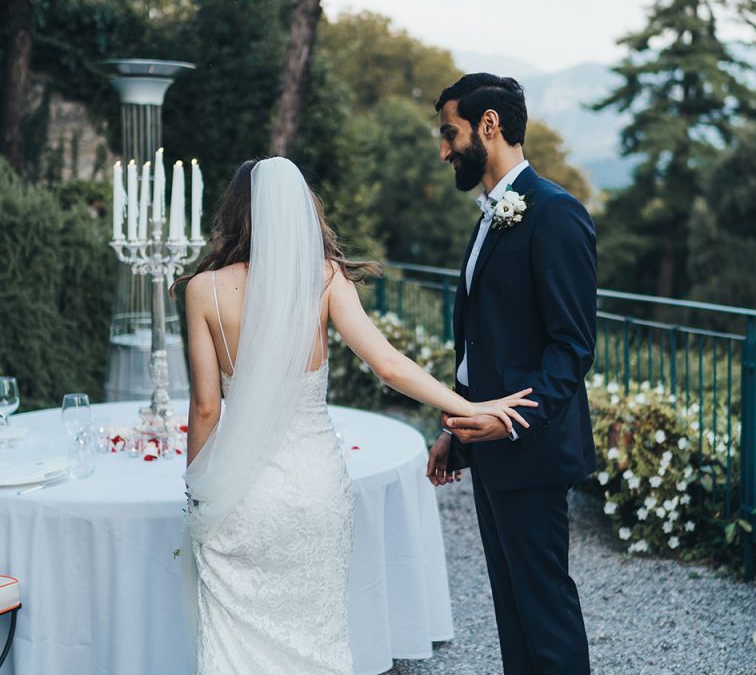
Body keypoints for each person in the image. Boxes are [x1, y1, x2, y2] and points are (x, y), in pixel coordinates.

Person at [176, 157, 537, 675]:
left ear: (236, 213)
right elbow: (388, 364)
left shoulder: (202, 290)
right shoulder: (322, 279)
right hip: (314, 488)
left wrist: (198, 491)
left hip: (241, 494)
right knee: (316, 634)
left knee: (238, 637)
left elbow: (207, 406)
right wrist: (470, 406)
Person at [426, 73, 597, 675]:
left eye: (450, 133)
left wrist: (509, 423)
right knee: (513, 612)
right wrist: (461, 420)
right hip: (489, 443)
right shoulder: (491, 217)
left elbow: (572, 346)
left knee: (546, 613)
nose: (444, 150)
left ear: (488, 126)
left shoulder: (556, 215)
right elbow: (486, 339)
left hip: (531, 446)